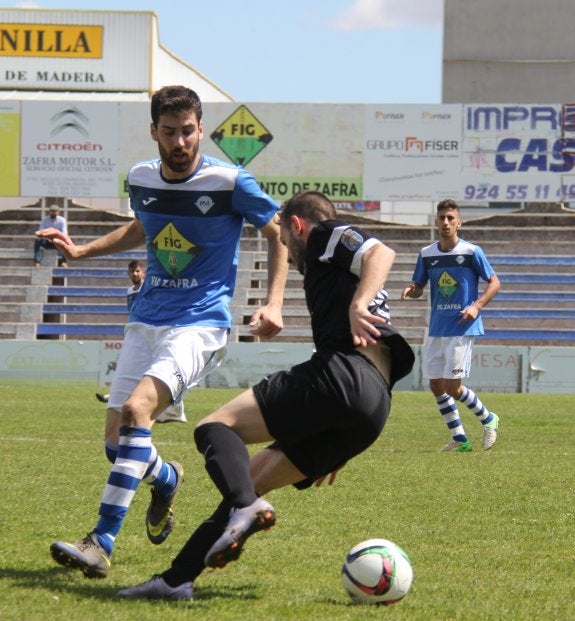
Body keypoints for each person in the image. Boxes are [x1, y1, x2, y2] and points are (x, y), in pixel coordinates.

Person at [37, 85, 288, 579]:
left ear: (200, 129)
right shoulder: (139, 177)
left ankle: (100, 540)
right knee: (116, 441)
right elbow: (143, 226)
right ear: (154, 131)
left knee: (137, 412)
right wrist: (83, 251)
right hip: (146, 318)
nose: (180, 142)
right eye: (169, 132)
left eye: (188, 132)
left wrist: (275, 302)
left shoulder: (230, 181)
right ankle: (167, 478)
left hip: (199, 323)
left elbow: (277, 229)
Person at [116, 190, 415, 601]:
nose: (287, 254)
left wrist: (359, 303)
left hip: (346, 374)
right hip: (373, 406)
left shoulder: (324, 233)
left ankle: (245, 509)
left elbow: (381, 251)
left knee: (214, 427)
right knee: (250, 480)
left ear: (296, 226)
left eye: (285, 240)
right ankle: (175, 580)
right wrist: (342, 438)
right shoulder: (333, 270)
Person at [401, 198, 501, 452]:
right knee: (436, 385)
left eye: (450, 218)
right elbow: (420, 287)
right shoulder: (426, 254)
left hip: (462, 327)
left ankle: (489, 419)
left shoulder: (471, 252)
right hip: (436, 327)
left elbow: (494, 283)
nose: (446, 222)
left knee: (452, 387)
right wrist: (412, 291)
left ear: (459, 222)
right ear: (436, 222)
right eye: (442, 218)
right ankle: (460, 439)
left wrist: (476, 306)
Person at [96, 259, 187, 423]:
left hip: (154, 331)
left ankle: (173, 407)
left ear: (143, 272)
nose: (135, 274)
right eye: (132, 271)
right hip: (137, 333)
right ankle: (156, 406)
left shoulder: (150, 287)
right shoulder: (130, 291)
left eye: (138, 271)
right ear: (128, 273)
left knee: (161, 370)